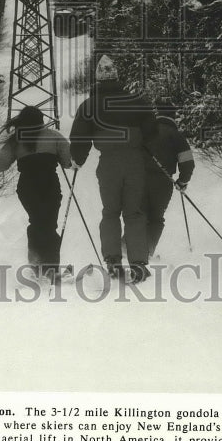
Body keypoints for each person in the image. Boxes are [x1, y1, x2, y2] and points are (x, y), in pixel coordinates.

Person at [69, 56, 157, 282]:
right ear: (118, 77)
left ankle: (113, 261)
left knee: (110, 212)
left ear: (97, 79)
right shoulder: (138, 101)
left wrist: (78, 160)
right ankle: (138, 264)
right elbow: (152, 133)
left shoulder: (89, 105)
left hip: (108, 164)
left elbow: (80, 138)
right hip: (135, 162)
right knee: (134, 212)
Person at [0, 106, 72, 280]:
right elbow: (68, 162)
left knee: (37, 223)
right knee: (48, 225)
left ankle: (37, 266)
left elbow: (0, 163)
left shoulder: (16, 140)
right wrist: (75, 160)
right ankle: (50, 269)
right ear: (41, 121)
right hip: (49, 186)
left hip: (28, 188)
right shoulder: (54, 136)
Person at [142, 113, 195, 258]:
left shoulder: (145, 131)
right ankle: (146, 252)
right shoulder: (177, 136)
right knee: (155, 218)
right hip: (162, 182)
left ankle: (126, 248)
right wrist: (182, 181)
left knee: (137, 214)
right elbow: (188, 163)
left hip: (138, 179)